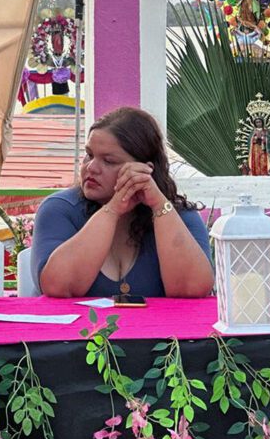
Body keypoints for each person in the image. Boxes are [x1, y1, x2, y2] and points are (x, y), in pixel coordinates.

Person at [33, 106, 213, 298]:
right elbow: (58, 287)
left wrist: (159, 205)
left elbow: (192, 290)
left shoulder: (177, 214)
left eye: (109, 161)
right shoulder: (60, 209)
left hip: (155, 320)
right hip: (80, 320)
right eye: (89, 155)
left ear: (145, 170)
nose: (91, 167)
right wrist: (112, 210)